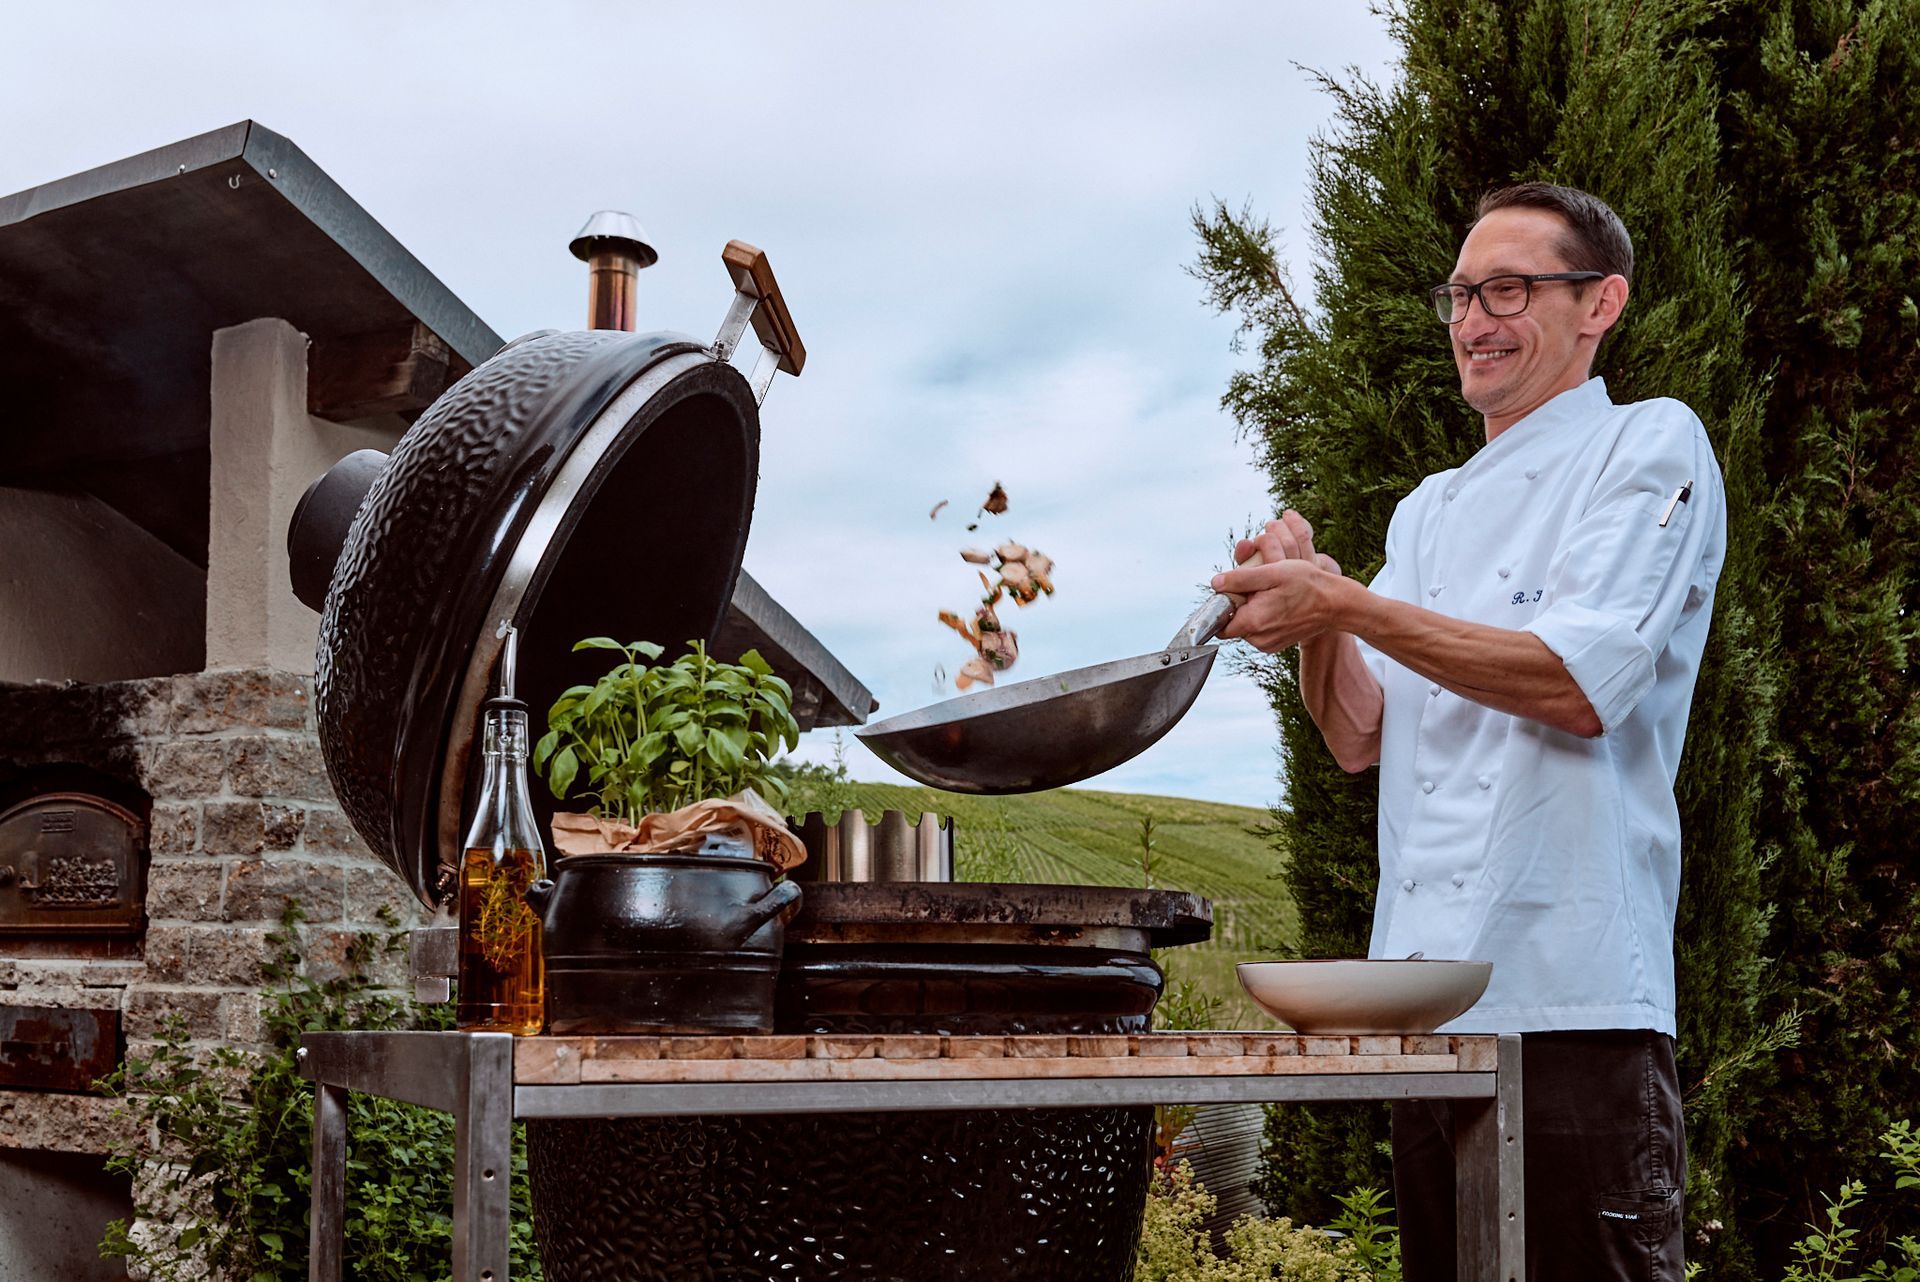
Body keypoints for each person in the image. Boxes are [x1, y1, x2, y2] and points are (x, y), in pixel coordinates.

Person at [1212, 182, 1724, 1281]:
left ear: (1602, 304)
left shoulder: (1648, 446)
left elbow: (1581, 684)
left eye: (1507, 288)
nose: (1472, 319)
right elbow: (1361, 734)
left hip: (1574, 1002)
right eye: (1459, 292)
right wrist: (1319, 611)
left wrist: (1348, 606)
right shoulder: (1432, 508)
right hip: (1427, 1010)